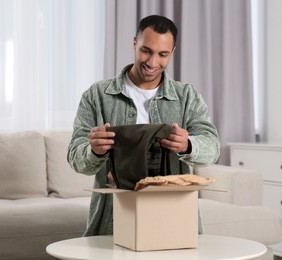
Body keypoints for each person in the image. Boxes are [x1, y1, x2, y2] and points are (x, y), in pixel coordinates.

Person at [67, 15, 220, 236]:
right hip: (113, 216)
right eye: (146, 50)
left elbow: (212, 149)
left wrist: (188, 145)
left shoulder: (187, 96)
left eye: (162, 54)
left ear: (173, 52)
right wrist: (93, 150)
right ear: (134, 43)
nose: (152, 62)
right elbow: (76, 159)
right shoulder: (97, 95)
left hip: (175, 215)